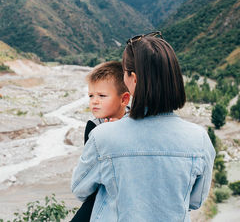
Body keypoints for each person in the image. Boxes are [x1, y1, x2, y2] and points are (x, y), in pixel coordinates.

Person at [71, 32, 216, 221]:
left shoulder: (103, 137)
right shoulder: (200, 139)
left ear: (133, 78)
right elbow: (194, 201)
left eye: (124, 73)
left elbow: (80, 190)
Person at [71, 61, 130, 222]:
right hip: (101, 192)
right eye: (91, 95)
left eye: (102, 96)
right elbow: (91, 170)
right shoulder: (93, 127)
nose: (94, 101)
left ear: (124, 99)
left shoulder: (135, 122)